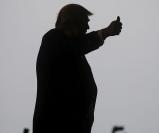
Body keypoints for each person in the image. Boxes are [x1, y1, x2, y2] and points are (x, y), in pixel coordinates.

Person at [33, 4, 122, 133]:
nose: (88, 27)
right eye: (85, 22)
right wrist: (105, 32)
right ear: (73, 21)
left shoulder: (72, 54)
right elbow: (77, 46)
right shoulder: (53, 38)